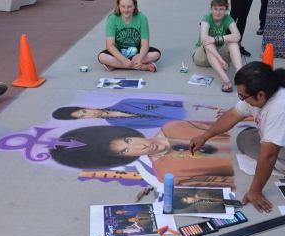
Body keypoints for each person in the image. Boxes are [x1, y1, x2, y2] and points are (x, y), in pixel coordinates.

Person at [189, 62, 285, 212]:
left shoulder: (280, 111)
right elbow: (232, 115)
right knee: (253, 133)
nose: (242, 99)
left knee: (244, 139)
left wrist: (255, 191)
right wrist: (204, 136)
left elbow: (269, 157)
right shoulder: (273, 84)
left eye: (243, 96)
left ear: (260, 94)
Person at [50, 121, 235, 187]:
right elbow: (222, 183)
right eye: (125, 150)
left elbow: (228, 130)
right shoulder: (165, 173)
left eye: (128, 140)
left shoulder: (174, 127)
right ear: (120, 158)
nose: (140, 147)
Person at [193, 0, 243, 93]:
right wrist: (220, 59)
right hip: (202, 57)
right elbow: (204, 40)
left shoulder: (228, 19)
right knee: (208, 43)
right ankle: (226, 80)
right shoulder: (207, 19)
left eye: (221, 9)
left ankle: (239, 73)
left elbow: (237, 36)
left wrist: (216, 39)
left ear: (226, 10)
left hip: (219, 57)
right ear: (211, 9)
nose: (218, 12)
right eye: (215, 9)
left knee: (233, 43)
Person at [97, 0, 161, 72]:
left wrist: (140, 58)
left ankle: (116, 65)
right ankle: (142, 67)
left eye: (129, 7)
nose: (126, 10)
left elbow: (145, 44)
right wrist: (123, 59)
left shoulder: (142, 18)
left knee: (156, 54)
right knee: (102, 57)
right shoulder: (112, 18)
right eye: (123, 6)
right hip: (118, 52)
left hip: (137, 52)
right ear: (118, 6)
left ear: (134, 6)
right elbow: (110, 45)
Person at [51, 98, 184, 128]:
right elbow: (149, 126)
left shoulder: (124, 102)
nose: (90, 114)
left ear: (86, 107)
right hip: (177, 124)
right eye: (83, 116)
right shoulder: (117, 124)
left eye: (84, 111)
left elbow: (161, 102)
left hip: (182, 111)